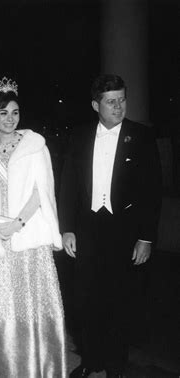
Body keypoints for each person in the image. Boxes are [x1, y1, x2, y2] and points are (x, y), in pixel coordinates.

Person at [0, 77, 67, 377]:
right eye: (3, 112)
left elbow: (41, 191)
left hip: (26, 234)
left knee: (26, 300)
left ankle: (32, 363)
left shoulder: (34, 146)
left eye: (15, 112)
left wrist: (16, 224)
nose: (9, 119)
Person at [59, 74, 162, 378]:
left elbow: (152, 191)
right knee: (86, 299)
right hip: (88, 227)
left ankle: (116, 364)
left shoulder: (141, 136)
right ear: (95, 105)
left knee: (119, 300)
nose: (118, 106)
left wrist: (146, 238)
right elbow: (69, 184)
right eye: (111, 101)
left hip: (125, 230)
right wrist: (67, 228)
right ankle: (91, 359)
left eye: (122, 99)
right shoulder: (79, 136)